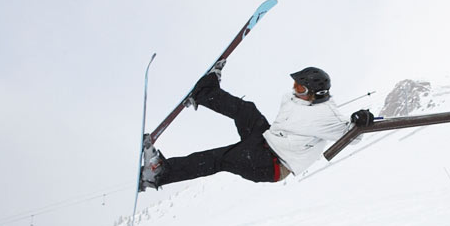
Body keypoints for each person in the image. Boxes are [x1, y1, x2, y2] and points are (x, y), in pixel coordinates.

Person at [140, 66, 375, 190]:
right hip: (266, 140)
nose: (295, 90)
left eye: (300, 88)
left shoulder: (327, 117)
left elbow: (351, 135)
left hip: (272, 165)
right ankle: (206, 93)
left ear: (317, 93)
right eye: (295, 85)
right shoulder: (293, 98)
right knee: (246, 110)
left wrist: (360, 121)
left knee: (219, 158)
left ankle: (161, 173)